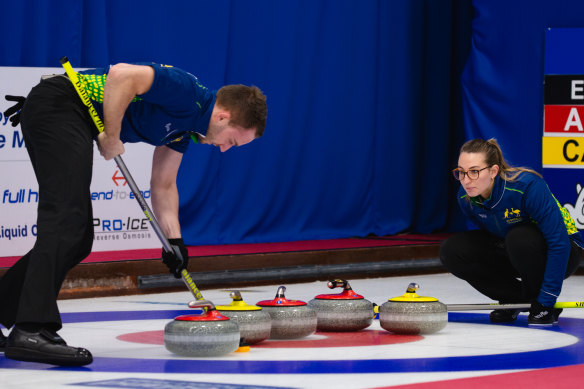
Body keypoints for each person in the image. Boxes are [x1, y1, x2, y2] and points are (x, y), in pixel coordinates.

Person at [0, 62, 267, 366]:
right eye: (231, 141)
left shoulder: (187, 129)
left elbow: (164, 185)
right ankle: (31, 329)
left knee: (79, 237)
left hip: (68, 113)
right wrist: (112, 136)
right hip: (62, 103)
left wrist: (175, 242)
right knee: (67, 221)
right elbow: (121, 75)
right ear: (223, 116)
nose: (223, 149)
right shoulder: (186, 92)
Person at [440, 138, 583, 326]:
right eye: (461, 172)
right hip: (514, 248)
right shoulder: (466, 197)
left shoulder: (527, 187)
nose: (466, 180)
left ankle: (540, 299)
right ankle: (515, 300)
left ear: (493, 171)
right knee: (452, 250)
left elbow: (559, 243)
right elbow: (490, 236)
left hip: (564, 251)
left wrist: (547, 300)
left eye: (474, 172)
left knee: (519, 237)